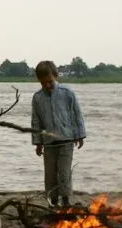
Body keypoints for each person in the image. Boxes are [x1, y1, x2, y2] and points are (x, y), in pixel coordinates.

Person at [30, 61, 87, 207]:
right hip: (48, 142)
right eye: (43, 83)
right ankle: (53, 200)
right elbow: (36, 121)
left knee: (64, 172)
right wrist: (37, 142)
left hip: (66, 140)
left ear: (55, 76)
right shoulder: (37, 98)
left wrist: (80, 135)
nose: (47, 85)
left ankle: (66, 199)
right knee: (50, 173)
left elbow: (77, 115)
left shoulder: (67, 93)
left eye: (50, 81)